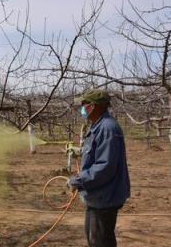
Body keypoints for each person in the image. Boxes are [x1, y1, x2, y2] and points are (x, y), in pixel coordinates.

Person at [68, 89, 130, 247]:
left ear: (93, 106)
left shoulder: (107, 128)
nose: (81, 108)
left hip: (105, 197)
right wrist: (80, 152)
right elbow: (98, 152)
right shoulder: (98, 125)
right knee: (94, 239)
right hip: (97, 197)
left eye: (83, 105)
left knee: (100, 242)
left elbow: (105, 167)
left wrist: (78, 181)